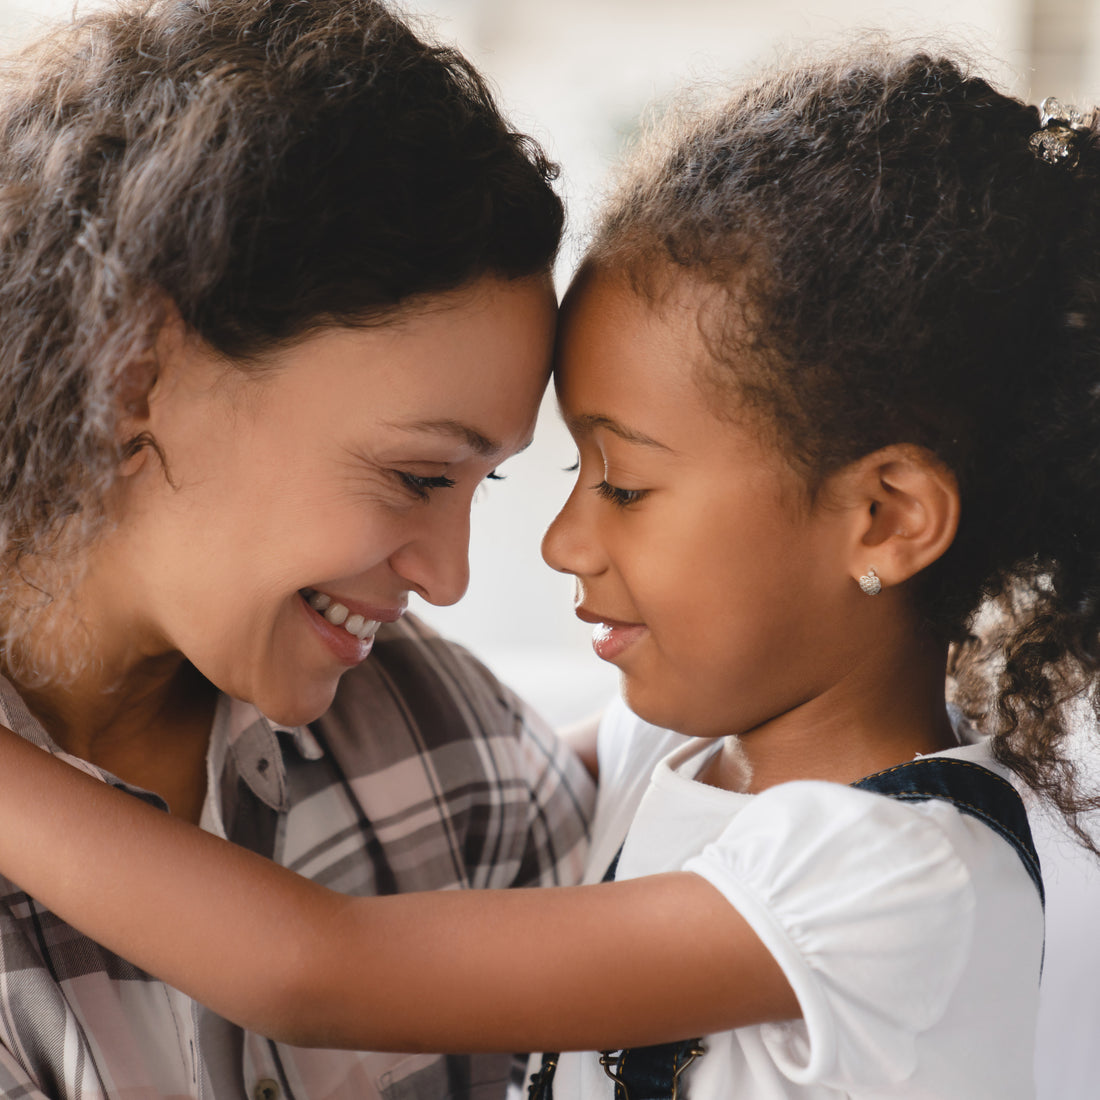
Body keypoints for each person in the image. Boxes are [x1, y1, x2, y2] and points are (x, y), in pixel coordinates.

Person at [0, 44, 1095, 1099]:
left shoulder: (905, 873)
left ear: (882, 515)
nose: (536, 551)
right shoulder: (676, 753)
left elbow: (316, 967)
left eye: (621, 487)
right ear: (136, 372)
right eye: (418, 471)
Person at [0, 1, 595, 1097]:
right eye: (417, 475)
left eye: (482, 481)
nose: (446, 576)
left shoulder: (453, 747)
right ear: (136, 373)